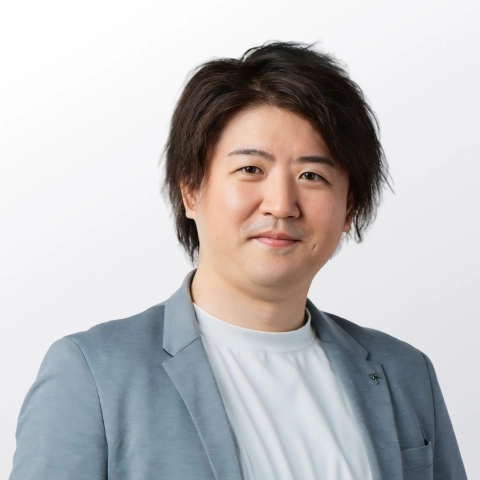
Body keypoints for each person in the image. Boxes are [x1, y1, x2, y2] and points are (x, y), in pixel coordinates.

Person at [9, 42, 467, 480]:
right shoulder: (92, 375)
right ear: (191, 190)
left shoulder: (405, 374)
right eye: (251, 169)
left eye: (312, 175)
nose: (281, 204)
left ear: (349, 208)